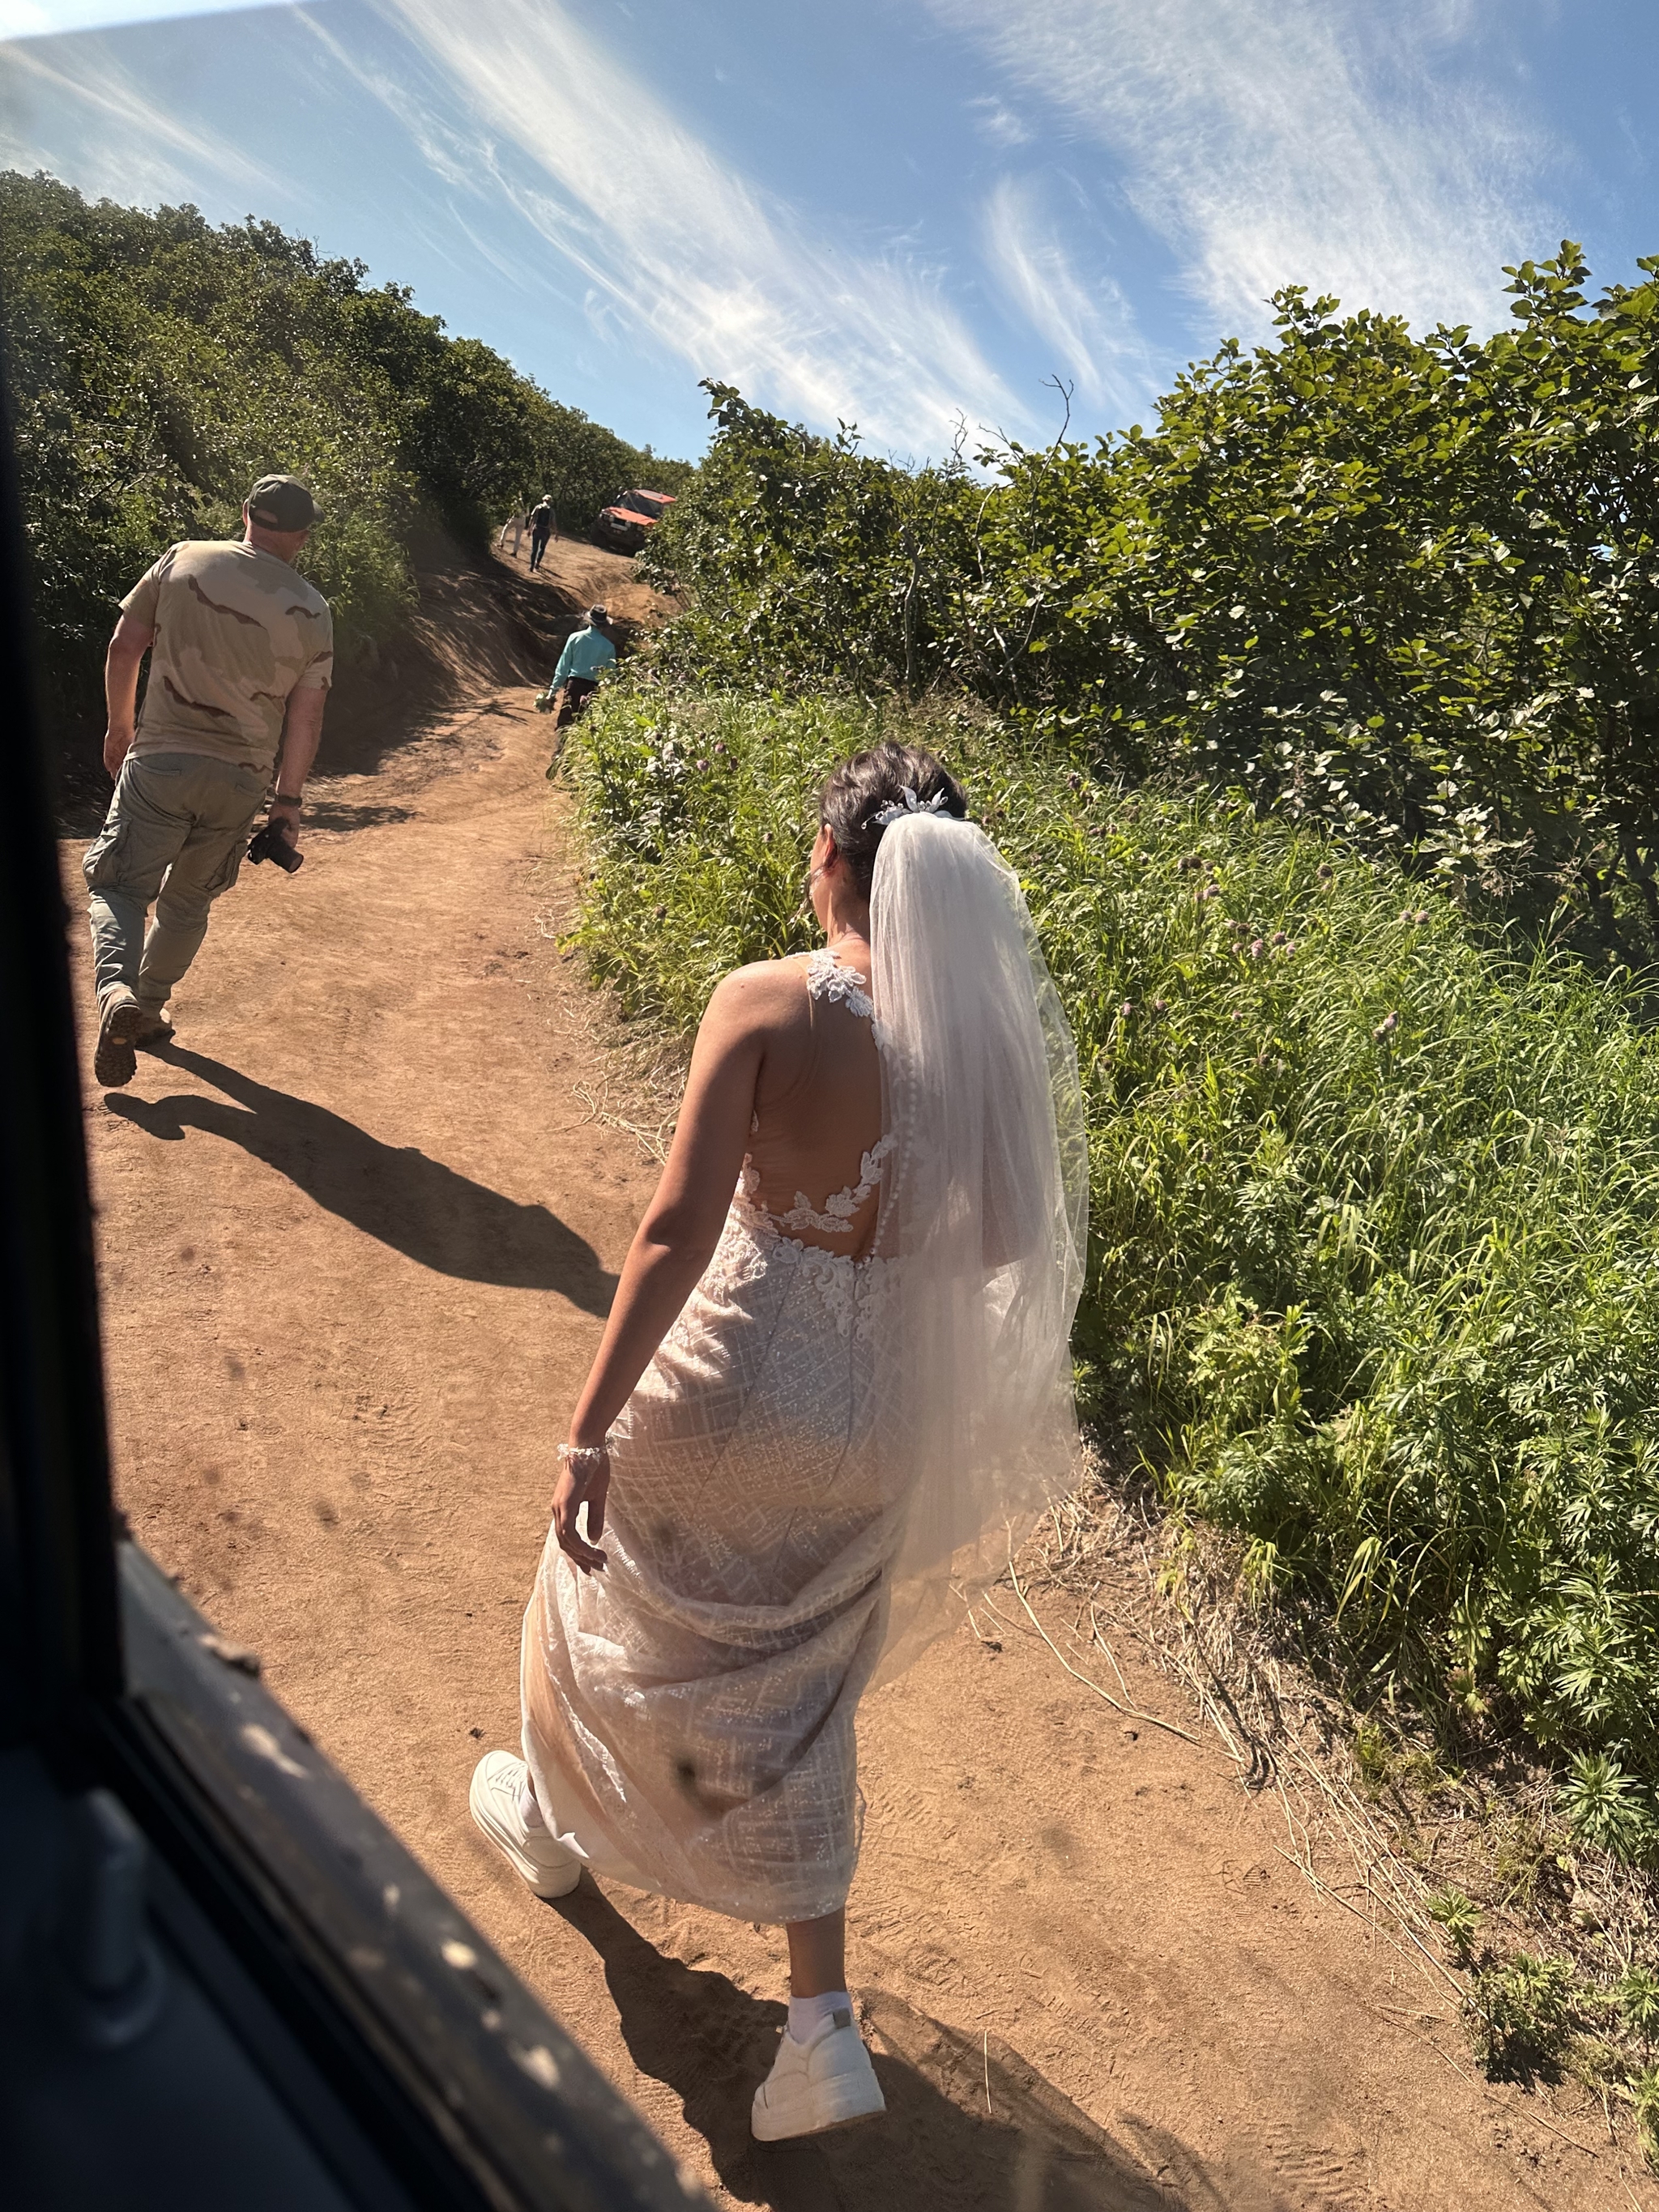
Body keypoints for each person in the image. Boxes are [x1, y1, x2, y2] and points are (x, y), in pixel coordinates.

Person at [470, 744, 1086, 2142]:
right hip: (879, 1410)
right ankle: (820, 2028)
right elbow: (1005, 1236)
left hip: (731, 1377)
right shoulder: (978, 1046)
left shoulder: (766, 1000)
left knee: (605, 1596)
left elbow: (673, 1228)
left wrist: (585, 1428)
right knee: (803, 1682)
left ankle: (557, 1827)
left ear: (831, 861)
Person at [83, 473, 333, 1088]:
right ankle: (148, 1004)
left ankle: (117, 991)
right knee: (189, 902)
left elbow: (124, 647)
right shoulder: (313, 610)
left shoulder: (184, 560)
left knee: (120, 886)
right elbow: (306, 716)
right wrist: (288, 802)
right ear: (302, 536)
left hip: (161, 760)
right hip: (240, 780)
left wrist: (120, 730)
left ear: (246, 512)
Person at [545, 604, 616, 745]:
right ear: (604, 625)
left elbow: (563, 667)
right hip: (593, 691)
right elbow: (610, 678)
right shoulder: (609, 647)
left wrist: (552, 692)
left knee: (565, 725)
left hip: (574, 687)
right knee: (585, 729)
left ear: (589, 620)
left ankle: (560, 753)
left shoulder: (575, 638)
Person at [528, 495, 557, 571]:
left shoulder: (538, 507)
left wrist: (529, 529)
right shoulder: (551, 511)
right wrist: (556, 534)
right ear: (550, 502)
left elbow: (532, 518)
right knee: (542, 547)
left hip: (537, 529)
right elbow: (553, 523)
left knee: (534, 548)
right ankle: (537, 564)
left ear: (543, 500)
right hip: (545, 531)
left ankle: (531, 566)